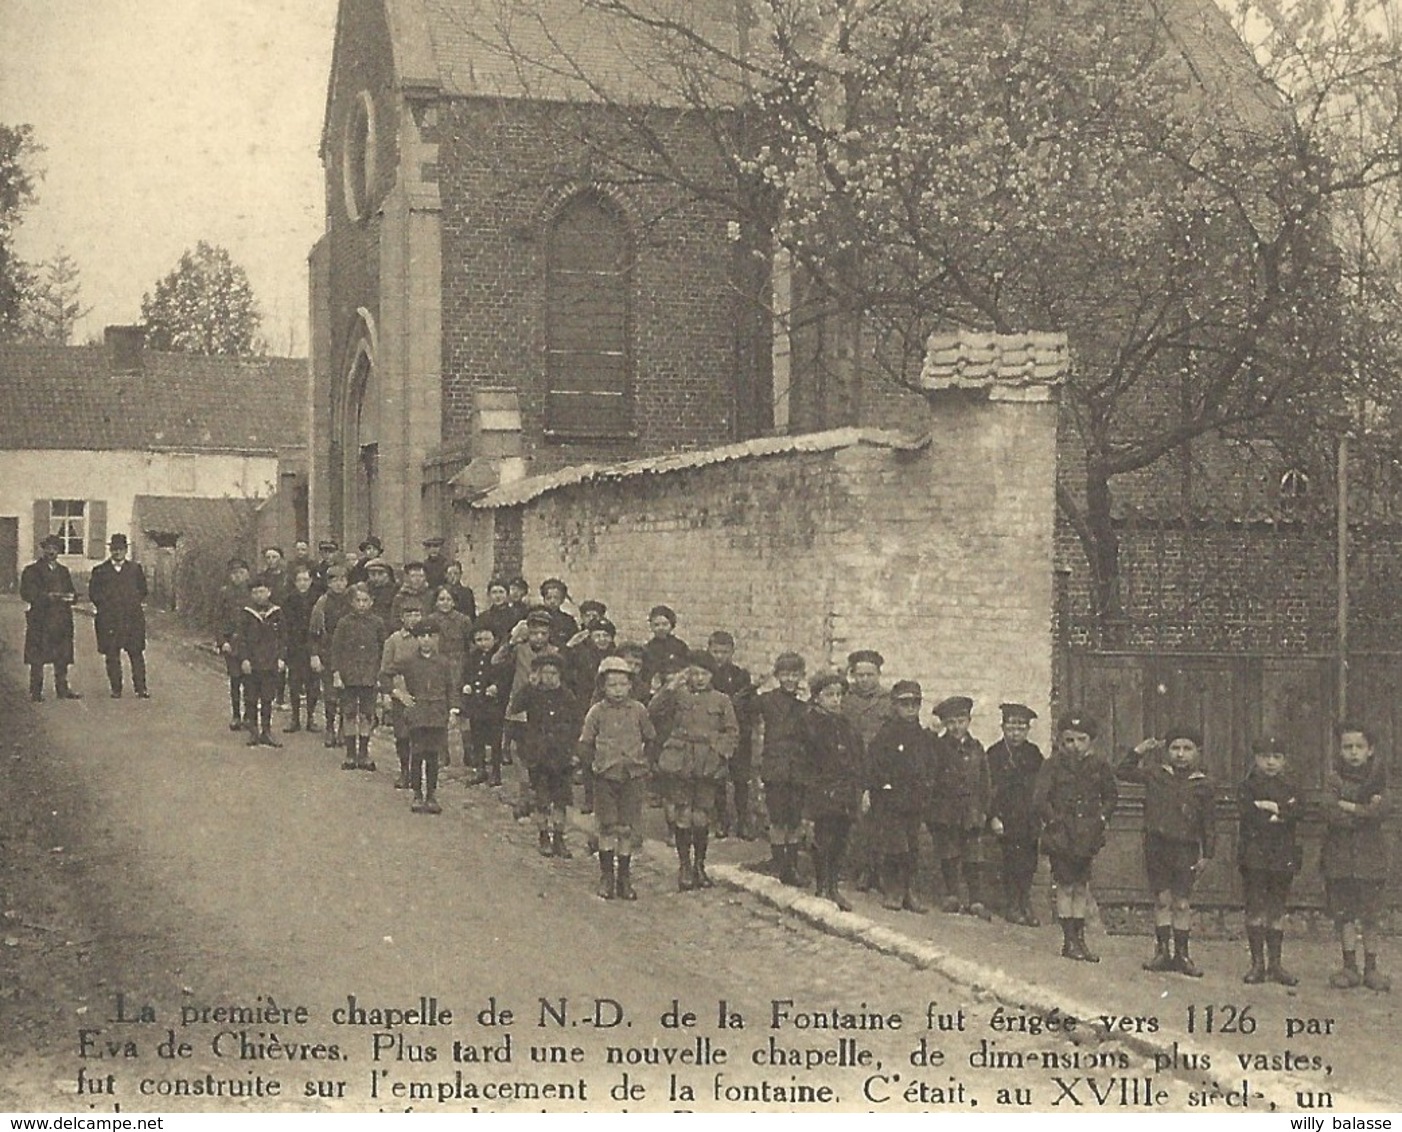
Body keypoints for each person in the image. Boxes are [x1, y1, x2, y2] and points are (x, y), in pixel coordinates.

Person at [1118, 727, 1216, 976]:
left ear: (1197, 752)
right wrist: (1140, 750)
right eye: (1175, 748)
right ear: (1167, 751)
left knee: (1182, 903)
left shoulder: (1203, 784)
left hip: (1186, 849)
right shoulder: (1156, 775)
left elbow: (1209, 823)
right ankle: (1162, 952)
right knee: (1162, 900)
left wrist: (1207, 854)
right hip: (1158, 847)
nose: (1181, 754)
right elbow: (1122, 771)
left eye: (1187, 749)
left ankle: (1182, 955)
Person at [649, 650, 738, 891]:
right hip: (680, 761)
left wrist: (720, 753)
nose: (699, 679)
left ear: (712, 676)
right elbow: (653, 710)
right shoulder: (678, 695)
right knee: (683, 814)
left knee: (701, 816)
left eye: (704, 674)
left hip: (707, 764)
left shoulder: (721, 700)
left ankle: (700, 865)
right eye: (695, 673)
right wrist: (670, 686)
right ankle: (685, 866)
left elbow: (731, 731)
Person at [1033, 713, 1118, 962]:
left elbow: (1111, 795)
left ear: (1091, 741)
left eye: (1081, 740)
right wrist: (1054, 821)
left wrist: (1102, 818)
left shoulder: (1099, 765)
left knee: (1081, 886)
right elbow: (1040, 799)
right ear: (1061, 741)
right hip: (1061, 835)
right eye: (1069, 740)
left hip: (1087, 835)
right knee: (1065, 885)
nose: (1075, 746)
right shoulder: (1052, 765)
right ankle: (1069, 941)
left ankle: (1080, 940)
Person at [579, 656, 656, 900]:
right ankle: (606, 877)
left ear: (630, 685)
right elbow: (585, 744)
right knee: (607, 827)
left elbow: (651, 738)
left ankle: (624, 877)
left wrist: (645, 763)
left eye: (623, 684)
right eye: (612, 685)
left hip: (632, 775)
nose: (618, 690)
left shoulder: (639, 710)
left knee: (626, 829)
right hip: (605, 776)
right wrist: (592, 768)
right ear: (603, 686)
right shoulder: (596, 712)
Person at [1322, 722, 1391, 992]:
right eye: (1347, 747)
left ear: (1370, 750)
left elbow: (1382, 811)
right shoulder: (1333, 780)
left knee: (1370, 916)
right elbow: (1329, 811)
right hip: (1339, 859)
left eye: (1359, 747)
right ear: (1339, 750)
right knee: (1345, 915)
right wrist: (1364, 811)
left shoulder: (1379, 781)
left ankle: (1371, 968)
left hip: (1370, 859)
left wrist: (1349, 806)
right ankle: (1349, 966)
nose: (1353, 752)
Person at [1237, 736, 1302, 986]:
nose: (1271, 762)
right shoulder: (1247, 786)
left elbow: (1299, 811)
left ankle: (1276, 964)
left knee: (1276, 909)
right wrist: (1279, 812)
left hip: (1283, 856)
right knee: (1255, 908)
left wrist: (1270, 807)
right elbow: (1249, 814)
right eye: (1265, 757)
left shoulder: (1292, 787)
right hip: (1254, 855)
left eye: (1277, 757)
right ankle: (1257, 964)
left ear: (1284, 760)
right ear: (1256, 759)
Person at [801, 672, 866, 912]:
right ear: (817, 698)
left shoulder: (846, 725)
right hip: (821, 790)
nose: (836, 700)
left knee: (841, 838)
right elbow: (805, 762)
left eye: (839, 695)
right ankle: (821, 886)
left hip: (845, 790)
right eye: (830, 695)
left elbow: (858, 756)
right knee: (823, 837)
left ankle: (833, 887)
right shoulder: (810, 724)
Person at [866, 681, 932, 913]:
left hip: (914, 800)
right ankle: (893, 890)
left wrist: (925, 788)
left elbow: (929, 765)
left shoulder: (923, 736)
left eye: (915, 703)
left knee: (912, 846)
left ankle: (909, 891)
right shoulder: (887, 734)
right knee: (895, 846)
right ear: (895, 705)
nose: (910, 708)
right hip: (891, 800)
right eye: (905, 704)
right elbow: (874, 764)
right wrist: (884, 786)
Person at [509, 653, 581, 858]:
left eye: (554, 673)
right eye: (545, 673)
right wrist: (528, 686)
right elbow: (515, 710)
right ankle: (543, 836)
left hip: (561, 757)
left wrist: (574, 753)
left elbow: (577, 724)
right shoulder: (531, 694)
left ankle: (559, 837)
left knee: (560, 801)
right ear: (538, 674)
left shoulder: (567, 696)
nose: (549, 677)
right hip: (538, 756)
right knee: (541, 800)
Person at [927, 695, 992, 918]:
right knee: (949, 852)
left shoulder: (976, 748)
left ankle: (975, 899)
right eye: (951, 722)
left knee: (974, 854)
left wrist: (984, 809)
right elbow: (932, 778)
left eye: (961, 721)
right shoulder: (937, 747)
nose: (956, 727)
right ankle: (952, 894)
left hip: (971, 810)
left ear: (969, 721)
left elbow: (985, 781)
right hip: (946, 810)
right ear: (945, 724)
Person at [386, 622, 460, 814]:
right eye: (422, 636)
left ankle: (432, 795)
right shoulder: (409, 661)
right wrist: (398, 694)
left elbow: (451, 688)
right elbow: (384, 675)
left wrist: (452, 711)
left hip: (437, 713)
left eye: (430, 636)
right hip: (417, 713)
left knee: (433, 756)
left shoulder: (444, 662)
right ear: (417, 639)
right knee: (417, 754)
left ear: (436, 638)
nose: (426, 640)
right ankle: (417, 794)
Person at [987, 703, 1045, 926]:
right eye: (1011, 728)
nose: (1015, 733)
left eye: (1021, 729)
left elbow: (1041, 786)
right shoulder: (994, 754)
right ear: (1003, 728)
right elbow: (987, 788)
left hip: (1028, 819)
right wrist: (993, 816)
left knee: (1029, 862)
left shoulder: (1033, 754)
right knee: (1011, 861)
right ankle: (1012, 905)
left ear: (1027, 730)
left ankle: (1025, 902)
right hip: (1005, 818)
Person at [755, 652, 809, 885]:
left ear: (801, 676)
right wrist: (755, 685)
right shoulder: (767, 699)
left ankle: (792, 865)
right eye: (785, 674)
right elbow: (742, 705)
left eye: (794, 674)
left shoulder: (805, 704)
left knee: (795, 818)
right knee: (777, 817)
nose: (790, 678)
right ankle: (779, 864)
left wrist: (808, 702)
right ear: (777, 676)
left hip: (798, 767)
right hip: (775, 765)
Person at [842, 650, 891, 890]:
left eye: (869, 674)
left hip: (881, 768)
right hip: (852, 766)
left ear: (878, 674)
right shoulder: (845, 698)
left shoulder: (888, 700)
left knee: (880, 821)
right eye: (859, 675)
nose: (864, 679)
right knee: (857, 821)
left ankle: (878, 872)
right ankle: (860, 870)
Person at [329, 583, 386, 771]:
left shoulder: (377, 623)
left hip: (369, 676)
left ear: (371, 602)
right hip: (349, 676)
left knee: (367, 715)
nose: (362, 604)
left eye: (365, 601)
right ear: (352, 602)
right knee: (349, 713)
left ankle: (364, 753)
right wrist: (337, 673)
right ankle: (350, 753)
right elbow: (336, 650)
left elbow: (382, 650)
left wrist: (380, 674)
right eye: (358, 601)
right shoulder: (344, 623)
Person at [708, 631, 757, 840]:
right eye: (716, 651)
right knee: (717, 778)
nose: (720, 656)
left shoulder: (741, 676)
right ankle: (721, 820)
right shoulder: (706, 674)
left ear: (732, 652)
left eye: (725, 652)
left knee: (740, 778)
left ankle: (743, 821)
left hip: (738, 732)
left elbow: (750, 705)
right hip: (715, 732)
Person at [88, 533, 149, 699]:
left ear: (126, 550)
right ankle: (116, 688)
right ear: (110, 550)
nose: (117, 553)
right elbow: (93, 593)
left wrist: (131, 603)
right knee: (112, 655)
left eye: (120, 549)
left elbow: (142, 591)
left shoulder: (135, 569)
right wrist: (106, 606)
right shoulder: (100, 571)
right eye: (114, 549)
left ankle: (141, 688)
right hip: (109, 620)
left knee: (136, 654)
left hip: (132, 619)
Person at [21, 534, 79, 702]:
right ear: (43, 550)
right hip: (41, 618)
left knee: (62, 655)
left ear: (59, 551)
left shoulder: (63, 571)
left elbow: (71, 591)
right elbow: (26, 593)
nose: (51, 552)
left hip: (61, 618)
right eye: (48, 548)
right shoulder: (31, 571)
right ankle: (36, 691)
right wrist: (48, 596)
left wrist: (72, 597)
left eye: (55, 548)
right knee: (37, 656)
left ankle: (62, 689)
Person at [233, 580, 285, 747]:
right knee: (251, 697)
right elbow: (241, 639)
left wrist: (281, 658)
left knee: (268, 697)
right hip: (252, 663)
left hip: (270, 662)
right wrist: (244, 659)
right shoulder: (246, 614)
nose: (259, 595)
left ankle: (267, 731)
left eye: (262, 591)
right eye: (255, 592)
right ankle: (253, 731)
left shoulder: (276, 612)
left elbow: (283, 638)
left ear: (269, 592)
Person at [380, 599, 426, 789]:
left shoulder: (427, 639)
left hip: (422, 695)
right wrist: (392, 693)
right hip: (401, 694)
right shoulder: (393, 641)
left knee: (420, 736)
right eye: (409, 615)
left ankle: (417, 774)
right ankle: (404, 771)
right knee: (402, 735)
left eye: (417, 614)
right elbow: (384, 672)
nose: (414, 619)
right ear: (402, 618)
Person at [426, 586, 473, 765]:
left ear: (454, 602)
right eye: (441, 599)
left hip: (459, 665)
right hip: (439, 666)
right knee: (441, 707)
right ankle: (441, 751)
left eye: (448, 599)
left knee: (463, 709)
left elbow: (470, 646)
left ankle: (469, 751)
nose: (445, 603)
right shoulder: (431, 620)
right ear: (436, 602)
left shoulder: (463, 621)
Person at [461, 623, 512, 786]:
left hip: (493, 705)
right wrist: (466, 685)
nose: (482, 643)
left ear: (495, 639)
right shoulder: (472, 657)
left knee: (495, 739)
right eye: (478, 639)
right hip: (477, 704)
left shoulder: (501, 657)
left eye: (486, 639)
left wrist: (497, 687)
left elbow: (506, 677)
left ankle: (496, 773)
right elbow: (466, 674)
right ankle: (480, 769)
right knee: (477, 737)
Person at [309, 565, 354, 746]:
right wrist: (315, 655)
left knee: (347, 693)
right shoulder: (322, 603)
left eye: (342, 580)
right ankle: (329, 727)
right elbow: (314, 633)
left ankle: (344, 727)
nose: (338, 584)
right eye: (334, 580)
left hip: (348, 653)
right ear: (328, 583)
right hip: (328, 652)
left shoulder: (352, 602)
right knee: (330, 693)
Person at [281, 565, 321, 733]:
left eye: (306, 580)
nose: (303, 583)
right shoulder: (289, 600)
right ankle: (295, 718)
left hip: (313, 646)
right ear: (295, 582)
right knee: (295, 683)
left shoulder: (317, 599)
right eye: (299, 580)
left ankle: (311, 717)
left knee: (313, 684)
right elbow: (285, 626)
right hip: (295, 647)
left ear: (311, 581)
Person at [216, 557, 252, 728]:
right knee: (235, 679)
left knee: (250, 680)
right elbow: (218, 619)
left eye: (241, 573)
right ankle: (236, 715)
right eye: (234, 573)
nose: (237, 576)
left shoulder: (253, 592)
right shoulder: (224, 593)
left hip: (250, 644)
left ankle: (249, 716)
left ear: (247, 574)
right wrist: (222, 641)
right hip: (231, 643)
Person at [640, 605, 690, 698]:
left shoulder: (680, 646)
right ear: (651, 626)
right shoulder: (647, 648)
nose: (661, 628)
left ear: (671, 625)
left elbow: (686, 666)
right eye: (656, 625)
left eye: (665, 624)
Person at [477, 578, 520, 646]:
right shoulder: (483, 617)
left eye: (501, 592)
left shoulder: (516, 616)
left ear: (507, 594)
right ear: (489, 595)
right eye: (494, 592)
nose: (498, 596)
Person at [538, 578, 580, 648]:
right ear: (544, 599)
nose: (552, 601)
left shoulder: (568, 621)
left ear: (562, 600)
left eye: (556, 598)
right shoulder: (538, 618)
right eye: (549, 598)